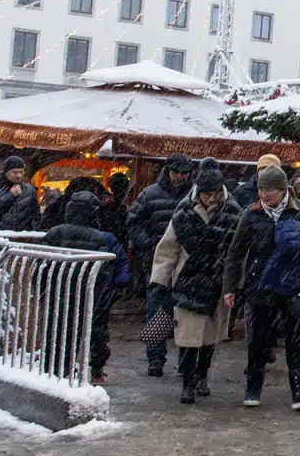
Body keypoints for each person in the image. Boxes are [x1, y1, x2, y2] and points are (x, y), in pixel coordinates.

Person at [222, 165, 300, 411]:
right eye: (260, 189)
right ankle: (253, 389)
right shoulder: (251, 214)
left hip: (293, 284)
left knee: (296, 340)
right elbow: (235, 253)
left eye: (269, 190)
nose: (264, 195)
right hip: (260, 283)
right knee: (258, 340)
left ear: (283, 190)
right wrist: (230, 287)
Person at [151, 167, 241, 404]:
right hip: (188, 279)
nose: (211, 198)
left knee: (209, 336)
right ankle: (188, 383)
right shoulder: (184, 211)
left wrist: (237, 282)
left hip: (217, 281)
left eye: (214, 193)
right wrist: (159, 279)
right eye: (206, 194)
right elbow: (168, 247)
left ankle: (201, 377)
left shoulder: (232, 210)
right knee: (190, 337)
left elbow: (239, 250)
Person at [41, 191, 130, 383]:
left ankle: (57, 369)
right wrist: (117, 287)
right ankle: (96, 369)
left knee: (59, 331)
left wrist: (42, 290)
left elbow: (42, 264)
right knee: (96, 331)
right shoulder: (104, 237)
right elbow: (120, 262)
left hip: (61, 292)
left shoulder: (55, 233)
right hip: (94, 294)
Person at [127, 153, 195, 377]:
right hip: (158, 261)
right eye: (176, 173)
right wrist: (150, 245)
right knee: (158, 311)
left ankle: (186, 362)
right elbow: (133, 223)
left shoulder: (194, 196)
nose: (180, 177)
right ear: (168, 171)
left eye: (184, 174)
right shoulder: (150, 194)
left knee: (187, 314)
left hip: (187, 263)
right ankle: (155, 359)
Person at [0, 156, 40, 232]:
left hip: (23, 237)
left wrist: (32, 233)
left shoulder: (29, 190)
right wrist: (10, 196)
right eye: (15, 172)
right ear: (6, 172)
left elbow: (36, 216)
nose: (19, 175)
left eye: (21, 172)